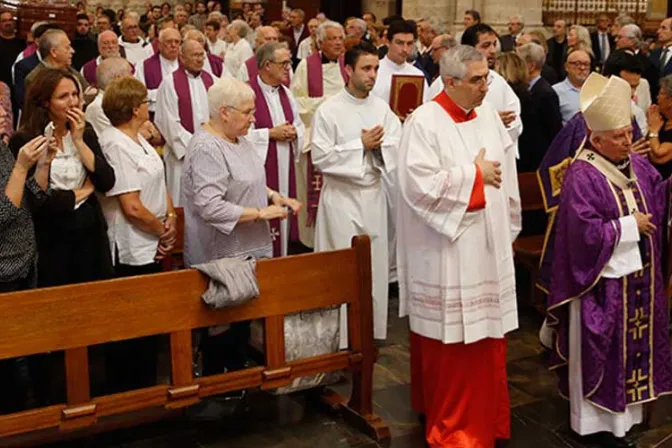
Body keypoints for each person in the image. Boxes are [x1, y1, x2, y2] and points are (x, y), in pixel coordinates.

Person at [398, 45, 520, 447]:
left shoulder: (487, 114)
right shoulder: (424, 122)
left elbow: (507, 172)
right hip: (448, 252)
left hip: (487, 245)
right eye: (476, 80)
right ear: (449, 82)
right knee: (455, 345)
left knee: (488, 341)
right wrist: (474, 175)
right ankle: (456, 429)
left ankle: (490, 421)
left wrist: (508, 222)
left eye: (487, 76)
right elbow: (418, 186)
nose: (486, 87)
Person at [547, 71, 672, 447]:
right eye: (618, 137)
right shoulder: (582, 174)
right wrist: (628, 226)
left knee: (632, 356)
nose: (627, 141)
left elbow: (657, 195)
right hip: (600, 284)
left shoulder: (634, 162)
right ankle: (593, 425)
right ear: (595, 139)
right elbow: (582, 235)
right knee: (605, 355)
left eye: (629, 132)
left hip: (638, 279)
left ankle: (626, 423)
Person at [182, 77, 298, 374]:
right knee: (222, 327)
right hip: (222, 253)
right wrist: (260, 213)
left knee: (242, 321)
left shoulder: (239, 139)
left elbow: (250, 179)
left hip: (248, 248)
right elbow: (210, 206)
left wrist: (276, 196)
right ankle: (217, 388)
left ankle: (238, 380)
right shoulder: (208, 147)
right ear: (224, 112)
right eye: (247, 112)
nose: (253, 118)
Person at [312, 42, 401, 347]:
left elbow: (396, 146)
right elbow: (320, 158)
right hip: (341, 198)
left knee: (374, 268)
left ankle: (367, 333)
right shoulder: (329, 109)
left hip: (373, 196)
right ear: (348, 70)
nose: (373, 75)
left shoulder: (381, 107)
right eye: (366, 68)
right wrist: (360, 145)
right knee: (341, 269)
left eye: (376, 68)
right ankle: (337, 338)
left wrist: (378, 148)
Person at [99, 76, 176, 393]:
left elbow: (159, 179)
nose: (149, 106)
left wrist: (170, 216)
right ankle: (128, 390)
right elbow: (131, 206)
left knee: (149, 321)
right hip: (132, 243)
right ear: (133, 108)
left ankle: (146, 385)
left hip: (154, 237)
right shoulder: (115, 144)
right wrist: (162, 233)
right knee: (131, 322)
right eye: (145, 101)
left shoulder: (139, 138)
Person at [10, 68, 115, 287]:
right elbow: (38, 200)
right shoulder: (25, 139)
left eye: (75, 95)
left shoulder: (85, 131)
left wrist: (78, 141)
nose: (73, 102)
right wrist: (83, 191)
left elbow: (107, 181)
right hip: (51, 238)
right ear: (46, 102)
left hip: (90, 234)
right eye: (63, 97)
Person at [290, 20, 347, 250]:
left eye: (341, 39)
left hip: (343, 137)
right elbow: (296, 102)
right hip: (316, 134)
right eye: (332, 39)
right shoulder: (306, 65)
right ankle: (311, 242)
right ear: (320, 42)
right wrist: (326, 104)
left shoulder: (348, 65)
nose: (337, 43)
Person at [247, 43, 304, 257]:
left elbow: (298, 123)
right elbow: (236, 135)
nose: (289, 67)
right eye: (284, 63)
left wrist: (294, 132)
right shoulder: (247, 92)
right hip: (259, 169)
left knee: (282, 229)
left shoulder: (286, 93)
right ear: (267, 65)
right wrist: (269, 134)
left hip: (284, 164)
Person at [155, 39, 213, 206]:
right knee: (183, 202)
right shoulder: (169, 83)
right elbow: (168, 123)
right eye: (194, 55)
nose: (199, 59)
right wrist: (197, 146)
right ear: (182, 57)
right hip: (182, 157)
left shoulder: (212, 81)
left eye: (202, 55)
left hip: (210, 154)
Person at [371, 19, 430, 120]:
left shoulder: (418, 75)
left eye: (410, 43)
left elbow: (426, 109)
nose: (405, 49)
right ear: (388, 42)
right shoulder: (373, 71)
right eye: (399, 43)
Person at [516, 43, 562, 172]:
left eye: (519, 63)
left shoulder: (546, 93)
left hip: (538, 160)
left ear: (530, 66)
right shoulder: (522, 89)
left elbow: (554, 129)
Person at [135, 28, 181, 117]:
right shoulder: (144, 66)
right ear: (159, 45)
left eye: (177, 42)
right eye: (169, 41)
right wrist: (165, 94)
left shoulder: (186, 65)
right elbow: (138, 95)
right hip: (155, 117)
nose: (173, 45)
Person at [85, 57, 134, 137]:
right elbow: (122, 139)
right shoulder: (98, 108)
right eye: (131, 73)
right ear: (118, 78)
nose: (134, 78)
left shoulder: (119, 102)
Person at [553, 49, 591, 124]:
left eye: (586, 64)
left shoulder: (598, 90)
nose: (582, 68)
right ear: (566, 66)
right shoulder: (556, 92)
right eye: (577, 64)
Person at [647, 75, 672, 178]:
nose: (657, 97)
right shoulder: (660, 120)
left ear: (671, 100)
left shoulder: (655, 125)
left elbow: (659, 156)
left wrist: (653, 130)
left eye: (661, 93)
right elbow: (647, 147)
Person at [0, 10, 25, 91]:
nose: (8, 23)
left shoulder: (22, 43)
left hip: (18, 87)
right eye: (4, 21)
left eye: (10, 20)